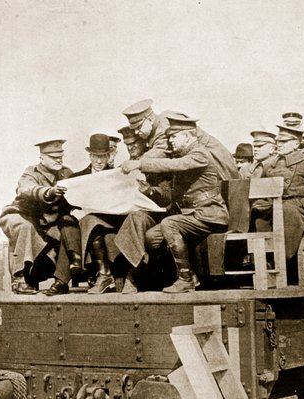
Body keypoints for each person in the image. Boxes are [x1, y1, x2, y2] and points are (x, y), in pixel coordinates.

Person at [121, 114, 229, 293]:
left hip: (209, 215)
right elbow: (171, 195)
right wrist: (149, 191)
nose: (170, 141)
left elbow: (177, 164)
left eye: (174, 136)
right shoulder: (183, 155)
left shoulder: (200, 153)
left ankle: (185, 278)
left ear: (187, 136)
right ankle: (180, 275)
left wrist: (140, 164)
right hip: (191, 216)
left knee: (169, 224)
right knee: (152, 237)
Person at [0, 139, 80, 295]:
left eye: (60, 157)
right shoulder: (31, 172)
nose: (58, 160)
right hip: (21, 214)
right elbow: (26, 189)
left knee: (70, 229)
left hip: (48, 222)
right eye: (53, 157)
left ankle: (69, 276)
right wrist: (47, 192)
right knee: (26, 227)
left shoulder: (67, 174)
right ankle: (20, 279)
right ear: (42, 157)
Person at [253, 125, 304, 264]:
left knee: (286, 211)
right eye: (278, 141)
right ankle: (261, 261)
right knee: (255, 213)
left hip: (298, 211)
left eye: (284, 142)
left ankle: (280, 261)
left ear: (296, 144)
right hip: (272, 207)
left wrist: (301, 205)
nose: (279, 144)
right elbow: (261, 190)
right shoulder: (269, 165)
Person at [114, 126, 172, 294]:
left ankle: (134, 273)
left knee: (136, 218)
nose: (130, 147)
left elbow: (167, 197)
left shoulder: (156, 163)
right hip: (127, 213)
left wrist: (150, 191)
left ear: (144, 143)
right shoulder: (123, 168)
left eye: (134, 143)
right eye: (127, 145)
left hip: (155, 215)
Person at [122, 99, 239, 180]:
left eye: (138, 127)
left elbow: (161, 150)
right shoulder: (155, 127)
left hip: (214, 157)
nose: (136, 132)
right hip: (196, 159)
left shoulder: (164, 122)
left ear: (150, 119)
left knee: (227, 189)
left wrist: (136, 163)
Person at [78, 134, 124, 294]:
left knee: (90, 220)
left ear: (109, 156)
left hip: (111, 223)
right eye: (96, 156)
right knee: (88, 221)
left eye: (103, 156)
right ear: (90, 156)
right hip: (87, 224)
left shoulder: (118, 177)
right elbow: (66, 203)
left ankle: (105, 274)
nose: (99, 161)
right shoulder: (77, 178)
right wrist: (73, 210)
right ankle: (103, 274)